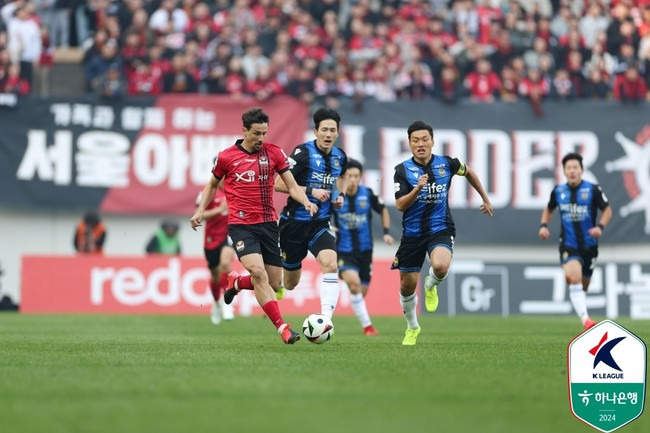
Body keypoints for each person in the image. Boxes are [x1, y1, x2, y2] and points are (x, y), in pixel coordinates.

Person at [190, 107, 317, 345]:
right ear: (244, 131)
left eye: (264, 133)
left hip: (269, 224)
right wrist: (200, 211)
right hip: (241, 226)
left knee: (275, 283)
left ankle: (237, 282)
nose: (260, 138)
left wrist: (306, 201)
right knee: (258, 273)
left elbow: (291, 185)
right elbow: (211, 185)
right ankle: (283, 328)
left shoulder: (275, 153)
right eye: (256, 133)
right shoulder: (227, 157)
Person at [392, 120, 493, 346]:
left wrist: (484, 198)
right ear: (409, 144)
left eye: (425, 140)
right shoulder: (402, 170)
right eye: (415, 140)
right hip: (412, 234)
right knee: (406, 285)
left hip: (441, 227)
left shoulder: (448, 163)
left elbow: (469, 173)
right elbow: (400, 205)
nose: (421, 144)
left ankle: (431, 286)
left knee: (440, 266)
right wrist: (417, 188)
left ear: (432, 141)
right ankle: (412, 327)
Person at [274, 107, 349, 320]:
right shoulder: (303, 153)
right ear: (315, 131)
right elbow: (278, 184)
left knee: (331, 264)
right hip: (293, 225)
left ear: (337, 132)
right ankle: (279, 278)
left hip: (320, 224)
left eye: (332, 130)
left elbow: (342, 177)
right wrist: (310, 191)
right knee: (290, 284)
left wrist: (340, 195)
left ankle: (326, 319)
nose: (328, 134)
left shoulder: (340, 157)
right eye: (323, 129)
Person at [538, 153, 612, 331]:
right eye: (568, 168)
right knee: (575, 277)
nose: (572, 171)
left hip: (589, 246)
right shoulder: (558, 191)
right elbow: (548, 210)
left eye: (575, 168)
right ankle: (586, 320)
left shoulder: (593, 190)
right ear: (564, 171)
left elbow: (607, 210)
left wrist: (600, 227)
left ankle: (573, 281)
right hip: (568, 244)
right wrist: (543, 225)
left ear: (582, 170)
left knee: (583, 284)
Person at [333, 159, 394, 336]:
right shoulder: (335, 196)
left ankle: (348, 279)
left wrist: (387, 232)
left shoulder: (367, 194)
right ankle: (368, 327)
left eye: (356, 176)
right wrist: (329, 227)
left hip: (366, 251)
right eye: (349, 176)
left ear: (360, 177)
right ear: (343, 177)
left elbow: (383, 210)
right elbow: (322, 215)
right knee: (354, 285)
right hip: (344, 250)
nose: (352, 179)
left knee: (361, 291)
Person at [195, 180, 235, 325]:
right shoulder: (207, 192)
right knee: (215, 275)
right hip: (211, 239)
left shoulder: (236, 189)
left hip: (229, 235)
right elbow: (199, 214)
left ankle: (227, 304)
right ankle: (217, 303)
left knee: (225, 264)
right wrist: (219, 209)